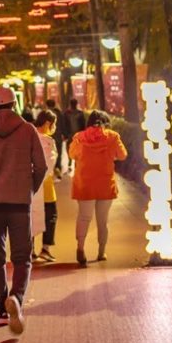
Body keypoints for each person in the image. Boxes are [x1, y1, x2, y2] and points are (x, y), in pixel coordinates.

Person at [0, 87, 47, 335]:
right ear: (15, 104)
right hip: (19, 203)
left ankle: (2, 309)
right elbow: (41, 166)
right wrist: (28, 189)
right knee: (22, 256)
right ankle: (16, 297)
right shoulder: (27, 130)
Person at [69, 110, 128, 267]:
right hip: (105, 183)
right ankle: (101, 252)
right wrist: (111, 155)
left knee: (84, 217)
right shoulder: (113, 137)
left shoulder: (79, 137)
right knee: (103, 221)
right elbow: (122, 155)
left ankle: (80, 248)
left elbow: (72, 154)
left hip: (84, 183)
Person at [33, 109, 59, 262]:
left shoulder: (28, 136)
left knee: (30, 216)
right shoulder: (48, 141)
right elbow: (49, 164)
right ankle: (45, 249)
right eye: (53, 124)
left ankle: (30, 250)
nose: (54, 128)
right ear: (48, 123)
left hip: (30, 185)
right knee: (51, 216)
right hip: (46, 186)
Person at [62, 99, 87, 172]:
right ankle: (71, 161)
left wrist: (65, 134)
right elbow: (83, 125)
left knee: (71, 148)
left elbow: (64, 125)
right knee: (72, 148)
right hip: (73, 135)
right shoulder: (68, 113)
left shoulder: (78, 113)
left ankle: (74, 162)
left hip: (75, 135)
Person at [45, 99, 65, 174]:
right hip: (58, 136)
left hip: (48, 136)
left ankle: (50, 168)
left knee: (48, 153)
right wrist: (64, 134)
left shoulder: (45, 114)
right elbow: (63, 124)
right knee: (58, 152)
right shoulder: (59, 113)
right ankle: (57, 167)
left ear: (47, 105)